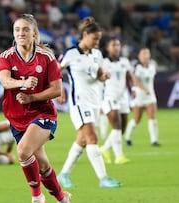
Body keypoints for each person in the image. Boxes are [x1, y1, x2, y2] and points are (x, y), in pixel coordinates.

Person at [0, 14, 71, 203]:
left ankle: (37, 197)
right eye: (17, 30)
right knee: (43, 164)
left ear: (34, 33)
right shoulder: (7, 56)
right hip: (17, 117)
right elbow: (5, 81)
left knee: (22, 151)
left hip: (43, 114)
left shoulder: (46, 58)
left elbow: (56, 90)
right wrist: (23, 82)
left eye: (26, 29)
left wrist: (32, 97)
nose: (21, 33)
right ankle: (62, 197)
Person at [57, 17, 121, 189]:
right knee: (92, 137)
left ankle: (63, 174)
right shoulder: (70, 53)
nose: (97, 42)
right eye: (95, 39)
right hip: (79, 103)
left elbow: (99, 74)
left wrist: (103, 76)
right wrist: (59, 89)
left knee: (82, 140)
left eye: (99, 40)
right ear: (85, 35)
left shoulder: (97, 54)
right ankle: (103, 178)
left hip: (94, 102)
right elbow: (53, 71)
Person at [99, 37, 133, 165]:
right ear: (108, 48)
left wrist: (133, 87)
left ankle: (105, 149)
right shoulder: (103, 62)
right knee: (117, 126)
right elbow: (98, 77)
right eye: (113, 45)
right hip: (109, 97)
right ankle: (119, 156)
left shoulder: (124, 61)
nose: (116, 47)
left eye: (118, 45)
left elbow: (129, 76)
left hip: (123, 97)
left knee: (122, 128)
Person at [124, 47, 160, 147]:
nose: (145, 56)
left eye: (147, 54)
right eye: (143, 54)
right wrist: (144, 90)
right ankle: (127, 137)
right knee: (137, 119)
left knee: (152, 116)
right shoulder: (136, 67)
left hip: (150, 95)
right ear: (139, 56)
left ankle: (154, 140)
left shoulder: (152, 66)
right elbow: (136, 80)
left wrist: (148, 91)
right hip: (139, 96)